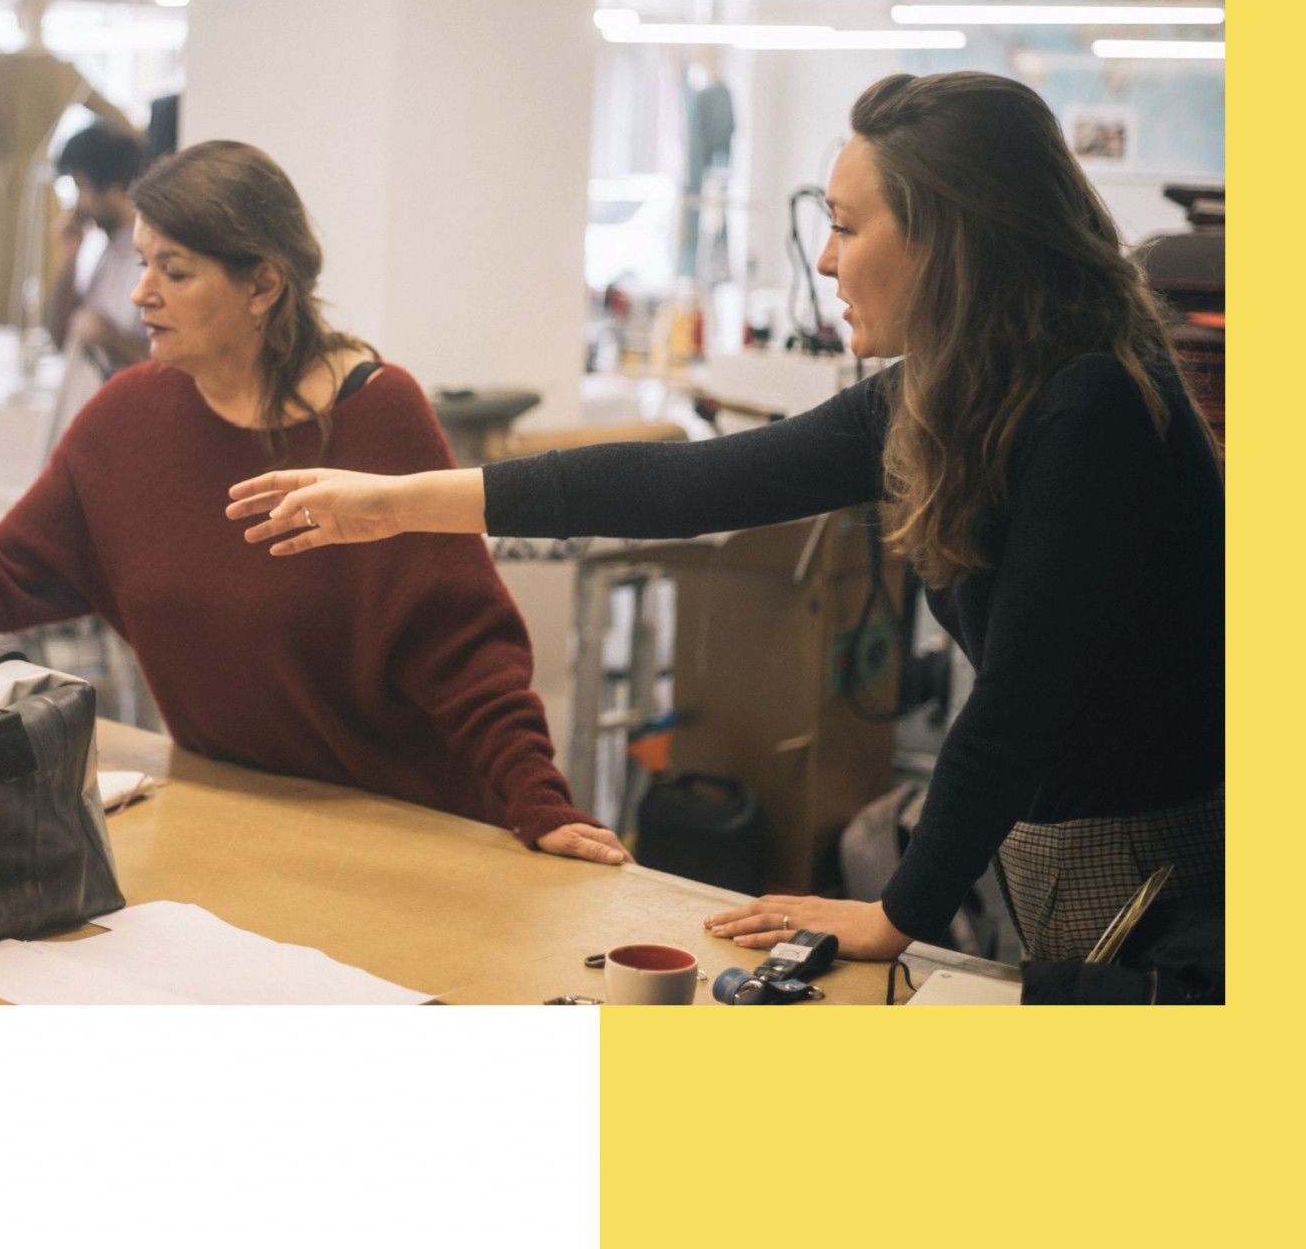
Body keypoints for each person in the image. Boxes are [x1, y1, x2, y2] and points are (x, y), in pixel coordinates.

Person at [226, 73, 1225, 964]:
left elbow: (1019, 703)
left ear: (951, 236)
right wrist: (393, 505)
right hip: (1060, 835)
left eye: (847, 227)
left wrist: (897, 913)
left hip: (1140, 852)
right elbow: (687, 486)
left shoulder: (1090, 404)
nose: (824, 260)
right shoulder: (961, 387)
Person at [0, 139, 627, 867]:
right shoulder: (126, 418)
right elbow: (5, 570)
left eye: (176, 271)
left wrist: (539, 800)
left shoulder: (376, 415)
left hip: (404, 829)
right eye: (143, 263)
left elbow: (464, 649)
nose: (140, 294)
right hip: (233, 819)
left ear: (263, 285)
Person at [46, 122, 150, 373]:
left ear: (115, 191)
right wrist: (69, 256)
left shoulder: (151, 257)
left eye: (82, 188)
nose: (77, 205)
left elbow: (171, 370)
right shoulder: (103, 248)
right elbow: (59, 338)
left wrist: (109, 338)